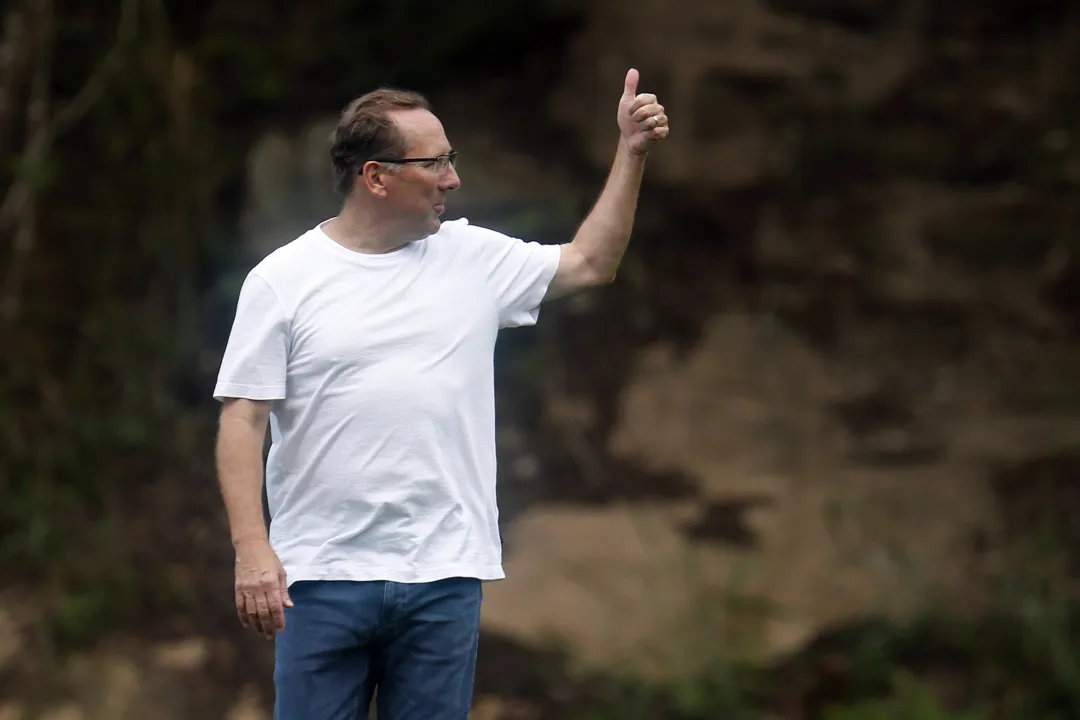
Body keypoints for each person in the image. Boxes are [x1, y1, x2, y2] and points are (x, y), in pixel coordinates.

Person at [213, 68, 669, 720]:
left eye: (451, 159)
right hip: (321, 577)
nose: (453, 179)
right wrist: (252, 551)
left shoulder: (473, 259)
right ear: (377, 177)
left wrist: (630, 153)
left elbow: (591, 262)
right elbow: (243, 420)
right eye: (435, 164)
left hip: (443, 577)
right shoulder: (284, 280)